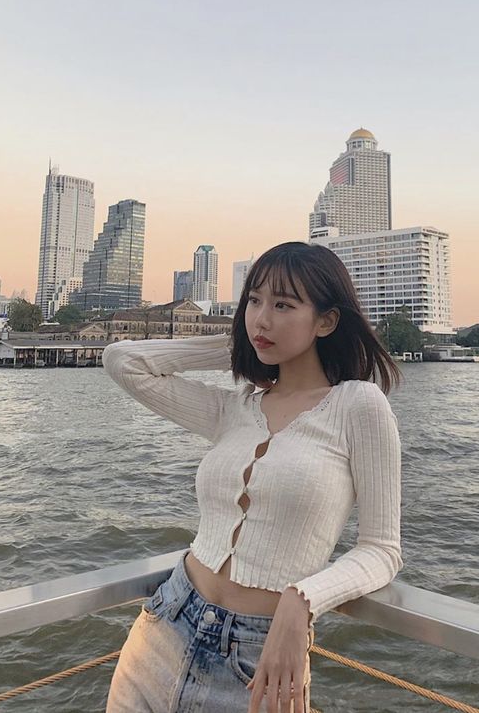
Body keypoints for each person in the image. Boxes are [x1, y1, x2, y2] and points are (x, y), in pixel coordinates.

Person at [103, 241, 403, 713]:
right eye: (253, 301)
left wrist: (303, 600)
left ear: (326, 321)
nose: (261, 317)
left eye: (283, 305)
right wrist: (243, 348)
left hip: (259, 661)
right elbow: (124, 361)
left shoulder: (359, 406)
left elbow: (382, 550)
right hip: (166, 623)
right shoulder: (235, 408)